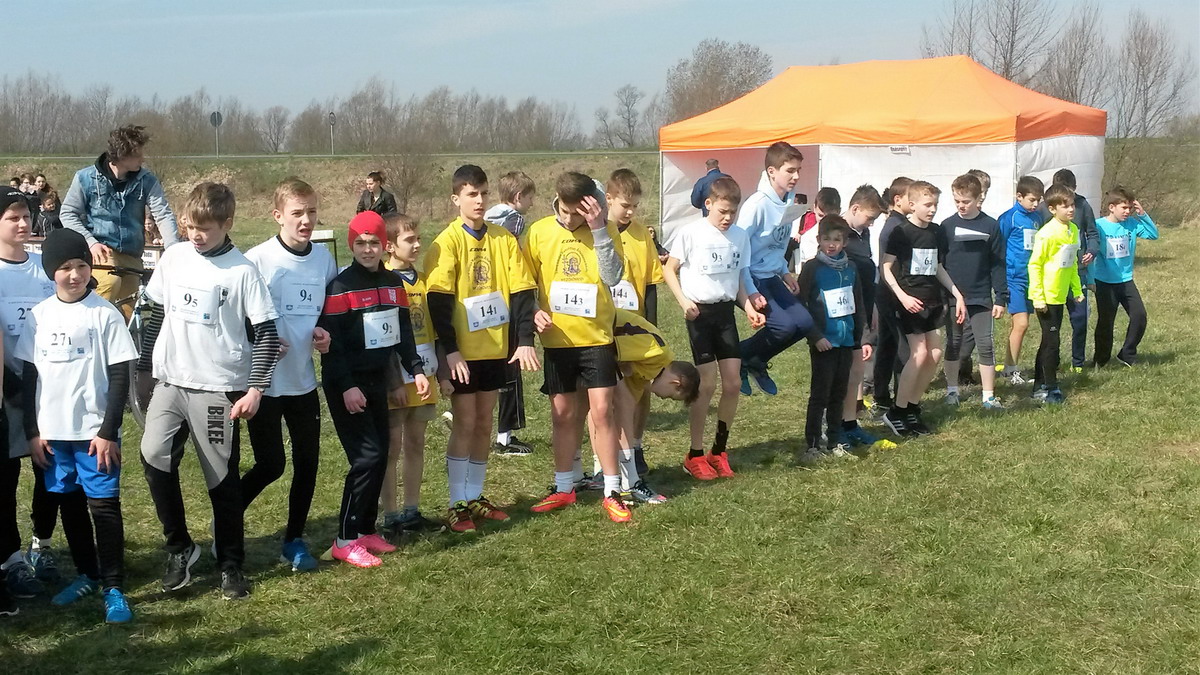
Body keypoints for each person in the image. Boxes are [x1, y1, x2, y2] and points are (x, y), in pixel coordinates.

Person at [138, 182, 279, 599]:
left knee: (221, 478)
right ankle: (180, 547)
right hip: (170, 383)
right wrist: (144, 370)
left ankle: (231, 564)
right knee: (153, 455)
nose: (196, 235)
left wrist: (255, 389)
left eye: (205, 229)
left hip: (218, 388)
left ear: (227, 223)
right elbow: (156, 313)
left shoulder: (242, 271)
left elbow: (267, 335)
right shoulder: (174, 257)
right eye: (190, 227)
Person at [17, 228, 137, 624]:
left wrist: (107, 431)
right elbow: (30, 378)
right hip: (53, 436)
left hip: (93, 436)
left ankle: (114, 587)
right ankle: (87, 573)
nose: (75, 274)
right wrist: (33, 432)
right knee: (69, 504)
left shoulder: (104, 314)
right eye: (65, 267)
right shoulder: (39, 316)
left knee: (103, 507)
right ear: (51, 271)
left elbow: (119, 377)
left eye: (82, 265)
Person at [425, 165, 538, 534]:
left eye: (484, 193)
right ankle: (457, 502)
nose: (479, 200)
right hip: (462, 353)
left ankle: (475, 496)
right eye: (471, 194)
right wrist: (450, 350)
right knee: (465, 421)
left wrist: (524, 340)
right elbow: (438, 301)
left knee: (485, 422)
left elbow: (523, 291)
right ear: (455, 199)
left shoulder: (503, 239)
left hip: (494, 349)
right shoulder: (448, 241)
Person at [319, 211, 429, 566]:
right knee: (365, 458)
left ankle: (365, 530)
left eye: (374, 243)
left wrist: (416, 369)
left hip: (377, 380)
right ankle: (344, 539)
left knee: (381, 454)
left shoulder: (394, 283)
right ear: (351, 245)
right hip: (347, 385)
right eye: (360, 243)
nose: (367, 250)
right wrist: (347, 386)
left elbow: (403, 332)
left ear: (384, 245)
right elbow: (332, 346)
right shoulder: (340, 286)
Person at [242, 178, 337, 572]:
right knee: (271, 464)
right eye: (297, 213)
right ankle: (226, 516)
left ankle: (293, 540)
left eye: (311, 212)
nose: (306, 220)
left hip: (303, 381)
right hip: (264, 383)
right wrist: (260, 339)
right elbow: (239, 318)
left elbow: (329, 311)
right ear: (277, 215)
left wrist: (324, 333)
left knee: (308, 462)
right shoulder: (257, 260)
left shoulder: (324, 260)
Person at [525, 172, 631, 522]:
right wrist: (534, 311)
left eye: (578, 213)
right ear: (556, 201)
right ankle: (563, 488)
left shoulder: (604, 228)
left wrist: (598, 229)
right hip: (558, 340)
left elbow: (613, 276)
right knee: (563, 415)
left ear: (591, 205)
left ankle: (613, 490)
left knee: (602, 412)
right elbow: (524, 284)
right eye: (566, 212)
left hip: (596, 338)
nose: (571, 220)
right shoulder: (539, 232)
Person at [662, 177, 766, 480]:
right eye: (722, 211)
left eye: (733, 212)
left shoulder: (740, 236)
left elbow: (739, 279)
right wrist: (683, 302)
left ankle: (718, 451)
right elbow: (669, 269)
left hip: (725, 315)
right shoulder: (691, 233)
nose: (728, 218)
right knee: (706, 386)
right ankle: (694, 454)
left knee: (732, 384)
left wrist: (749, 307)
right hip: (699, 315)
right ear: (708, 204)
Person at [0, 188, 61, 599]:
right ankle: (10, 559)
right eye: (12, 218)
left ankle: (42, 544)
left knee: (48, 471)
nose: (23, 224)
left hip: (46, 389)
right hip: (6, 392)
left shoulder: (44, 268)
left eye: (26, 216)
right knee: (5, 478)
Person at [60, 125, 180, 317]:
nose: (143, 159)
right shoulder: (85, 178)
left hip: (132, 254)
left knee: (132, 312)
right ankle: (90, 327)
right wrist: (91, 243)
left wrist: (173, 249)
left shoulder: (147, 180)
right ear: (122, 156)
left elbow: (163, 214)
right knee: (108, 284)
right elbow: (67, 214)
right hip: (102, 252)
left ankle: (126, 334)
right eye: (138, 155)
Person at [880, 181, 966, 437]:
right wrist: (902, 296)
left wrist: (957, 293)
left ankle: (912, 407)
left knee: (935, 353)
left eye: (935, 205)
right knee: (918, 355)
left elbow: (937, 267)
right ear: (912, 204)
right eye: (928, 205)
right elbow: (886, 268)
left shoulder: (937, 232)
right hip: (909, 301)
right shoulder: (901, 232)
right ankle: (896, 411)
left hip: (932, 300)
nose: (932, 209)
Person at [379, 213, 444, 534]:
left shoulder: (424, 280)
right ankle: (390, 516)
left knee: (416, 443)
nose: (418, 245)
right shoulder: (382, 280)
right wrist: (393, 381)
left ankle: (412, 511)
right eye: (409, 240)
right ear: (390, 246)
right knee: (391, 447)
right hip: (395, 380)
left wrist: (442, 374)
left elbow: (434, 330)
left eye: (419, 239)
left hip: (423, 377)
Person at [736, 141, 812, 396]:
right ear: (771, 171)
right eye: (790, 170)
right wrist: (749, 291)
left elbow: (777, 245)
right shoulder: (756, 205)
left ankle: (754, 361)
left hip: (772, 275)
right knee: (784, 326)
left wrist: (785, 272)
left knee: (804, 323)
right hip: (752, 277)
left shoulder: (789, 201)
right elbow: (739, 250)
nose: (796, 176)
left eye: (798, 170)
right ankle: (738, 356)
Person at [795, 215, 870, 466]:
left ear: (845, 242)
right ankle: (813, 443)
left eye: (837, 240)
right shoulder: (812, 268)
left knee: (839, 392)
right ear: (818, 240)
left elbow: (858, 303)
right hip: (824, 342)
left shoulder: (851, 269)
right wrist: (815, 336)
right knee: (820, 394)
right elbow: (800, 305)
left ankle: (835, 439)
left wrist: (860, 338)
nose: (831, 244)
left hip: (846, 340)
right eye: (827, 239)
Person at [606, 168, 663, 476]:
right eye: (625, 205)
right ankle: (605, 456)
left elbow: (651, 284)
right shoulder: (597, 232)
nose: (630, 212)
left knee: (640, 388)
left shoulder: (642, 234)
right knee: (606, 394)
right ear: (608, 199)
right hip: (604, 327)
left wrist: (651, 330)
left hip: (635, 327)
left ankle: (636, 447)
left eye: (635, 206)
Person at [610, 308, 700, 502]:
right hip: (594, 327)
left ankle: (617, 477)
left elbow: (625, 415)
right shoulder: (656, 351)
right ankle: (628, 481)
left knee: (619, 407)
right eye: (671, 397)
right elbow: (607, 346)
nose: (663, 398)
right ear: (675, 383)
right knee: (618, 402)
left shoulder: (644, 375)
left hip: (596, 340)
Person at [940, 174, 1007, 410]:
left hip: (981, 295)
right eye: (957, 200)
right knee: (954, 343)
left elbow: (998, 263)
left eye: (966, 201)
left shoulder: (990, 225)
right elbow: (940, 264)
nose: (961, 205)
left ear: (978, 198)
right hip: (953, 296)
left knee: (985, 343)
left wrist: (1001, 297)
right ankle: (952, 390)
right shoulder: (946, 226)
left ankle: (988, 396)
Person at [484, 171, 537, 456]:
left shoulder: (486, 217)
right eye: (529, 198)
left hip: (484, 297)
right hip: (508, 297)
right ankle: (505, 436)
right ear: (518, 197)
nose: (531, 203)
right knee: (511, 367)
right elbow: (514, 258)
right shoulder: (514, 220)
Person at [836, 185, 890, 450]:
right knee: (843, 370)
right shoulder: (837, 233)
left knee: (857, 368)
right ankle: (834, 425)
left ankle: (851, 422)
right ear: (855, 208)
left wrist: (873, 309)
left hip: (864, 308)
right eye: (869, 218)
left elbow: (869, 275)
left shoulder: (862, 232)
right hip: (843, 311)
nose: (871, 223)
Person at [1035, 169, 1098, 372]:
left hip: (1077, 271)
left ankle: (1077, 361)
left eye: (1071, 197)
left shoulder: (1083, 205)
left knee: (1080, 318)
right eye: (1064, 201)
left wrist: (1091, 250)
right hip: (1053, 278)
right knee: (1054, 326)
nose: (1070, 206)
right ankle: (1051, 364)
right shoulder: (1044, 209)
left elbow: (1092, 233)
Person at [1027, 184, 1084, 404]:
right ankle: (1051, 388)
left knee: (1048, 341)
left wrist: (1076, 289)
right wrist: (1038, 297)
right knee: (1052, 343)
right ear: (1052, 209)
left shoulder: (1073, 230)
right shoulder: (1047, 234)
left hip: (1060, 295)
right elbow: (1035, 265)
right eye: (1065, 206)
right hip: (1046, 297)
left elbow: (1072, 263)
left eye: (1072, 205)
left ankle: (1039, 384)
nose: (1071, 209)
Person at [1091, 187, 1157, 368]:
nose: (1127, 211)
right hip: (1104, 281)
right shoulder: (1099, 225)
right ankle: (1101, 360)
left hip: (1126, 281)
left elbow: (1153, 234)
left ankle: (1127, 353)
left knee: (1140, 316)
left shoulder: (1132, 224)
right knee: (1106, 322)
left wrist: (1142, 214)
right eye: (1124, 208)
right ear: (1112, 207)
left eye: (1130, 208)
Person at [871, 177, 914, 414]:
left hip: (886, 293)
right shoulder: (897, 227)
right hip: (893, 294)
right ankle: (901, 400)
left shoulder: (896, 223)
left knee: (887, 345)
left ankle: (881, 396)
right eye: (911, 198)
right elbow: (891, 266)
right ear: (898, 200)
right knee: (903, 349)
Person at [997, 176, 1045, 384]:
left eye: (1038, 200)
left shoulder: (1038, 218)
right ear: (1019, 196)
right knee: (1021, 323)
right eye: (1032, 200)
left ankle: (1009, 367)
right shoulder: (1009, 218)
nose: (1035, 204)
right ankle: (1010, 370)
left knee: (1021, 325)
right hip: (1013, 277)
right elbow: (998, 247)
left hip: (1031, 277)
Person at [791, 186, 841, 267]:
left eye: (829, 216)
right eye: (820, 215)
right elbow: (813, 268)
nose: (825, 221)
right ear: (814, 208)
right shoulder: (809, 238)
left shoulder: (846, 234)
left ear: (839, 211)